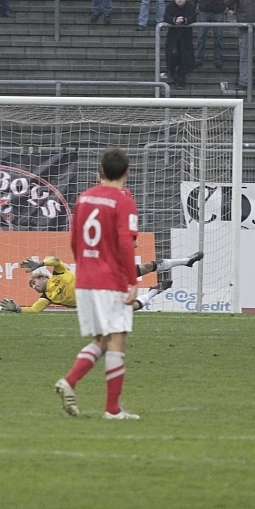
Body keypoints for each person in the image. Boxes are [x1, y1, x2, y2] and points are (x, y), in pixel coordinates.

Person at [53, 148, 142, 420]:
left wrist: (85, 267)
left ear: (101, 171)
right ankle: (112, 409)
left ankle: (69, 381)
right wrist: (133, 281)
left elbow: (74, 240)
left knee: (101, 339)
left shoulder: (84, 198)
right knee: (117, 340)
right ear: (127, 172)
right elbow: (126, 244)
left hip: (86, 279)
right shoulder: (124, 200)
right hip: (111, 280)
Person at [0, 253, 201, 313]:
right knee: (129, 308)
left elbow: (56, 261)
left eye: (35, 283)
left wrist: (40, 263)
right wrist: (17, 309)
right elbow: (35, 310)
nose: (35, 287)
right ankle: (155, 291)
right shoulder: (48, 297)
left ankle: (186, 261)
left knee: (146, 267)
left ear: (43, 277)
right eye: (32, 287)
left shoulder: (59, 273)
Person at [191, 0, 231, 69]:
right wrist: (192, 9)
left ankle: (218, 59)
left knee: (218, 37)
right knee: (201, 36)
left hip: (219, 11)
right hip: (204, 11)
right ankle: (198, 58)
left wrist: (231, 8)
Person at [164, 0, 196, 83]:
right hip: (173, 37)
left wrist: (185, 20)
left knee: (184, 58)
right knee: (172, 55)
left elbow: (193, 17)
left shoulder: (190, 6)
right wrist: (174, 20)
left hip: (185, 37)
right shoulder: (170, 6)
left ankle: (181, 79)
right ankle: (171, 73)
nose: (179, 0)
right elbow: (166, 17)